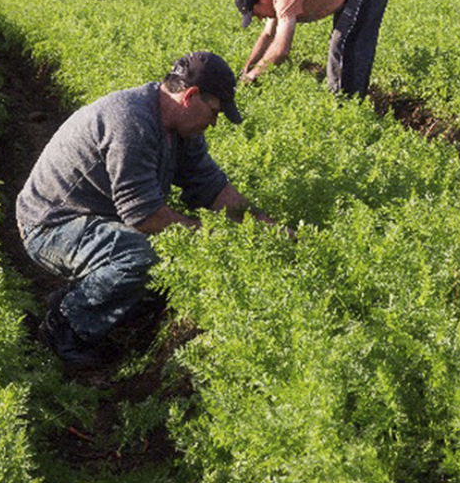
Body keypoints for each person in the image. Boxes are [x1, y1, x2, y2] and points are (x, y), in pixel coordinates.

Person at [17, 51, 281, 368]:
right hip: (50, 226)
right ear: (191, 96)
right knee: (140, 255)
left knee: (153, 255)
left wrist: (270, 228)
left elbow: (213, 188)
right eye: (214, 112)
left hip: (93, 218)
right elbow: (143, 215)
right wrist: (205, 235)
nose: (213, 123)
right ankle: (65, 327)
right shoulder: (131, 120)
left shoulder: (181, 132)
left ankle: (74, 298)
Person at [235, 0, 394, 96]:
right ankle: (346, 99)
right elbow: (268, 35)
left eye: (256, 13)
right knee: (343, 40)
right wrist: (247, 68)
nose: (260, 18)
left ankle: (345, 103)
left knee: (346, 43)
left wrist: (253, 75)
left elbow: (281, 50)